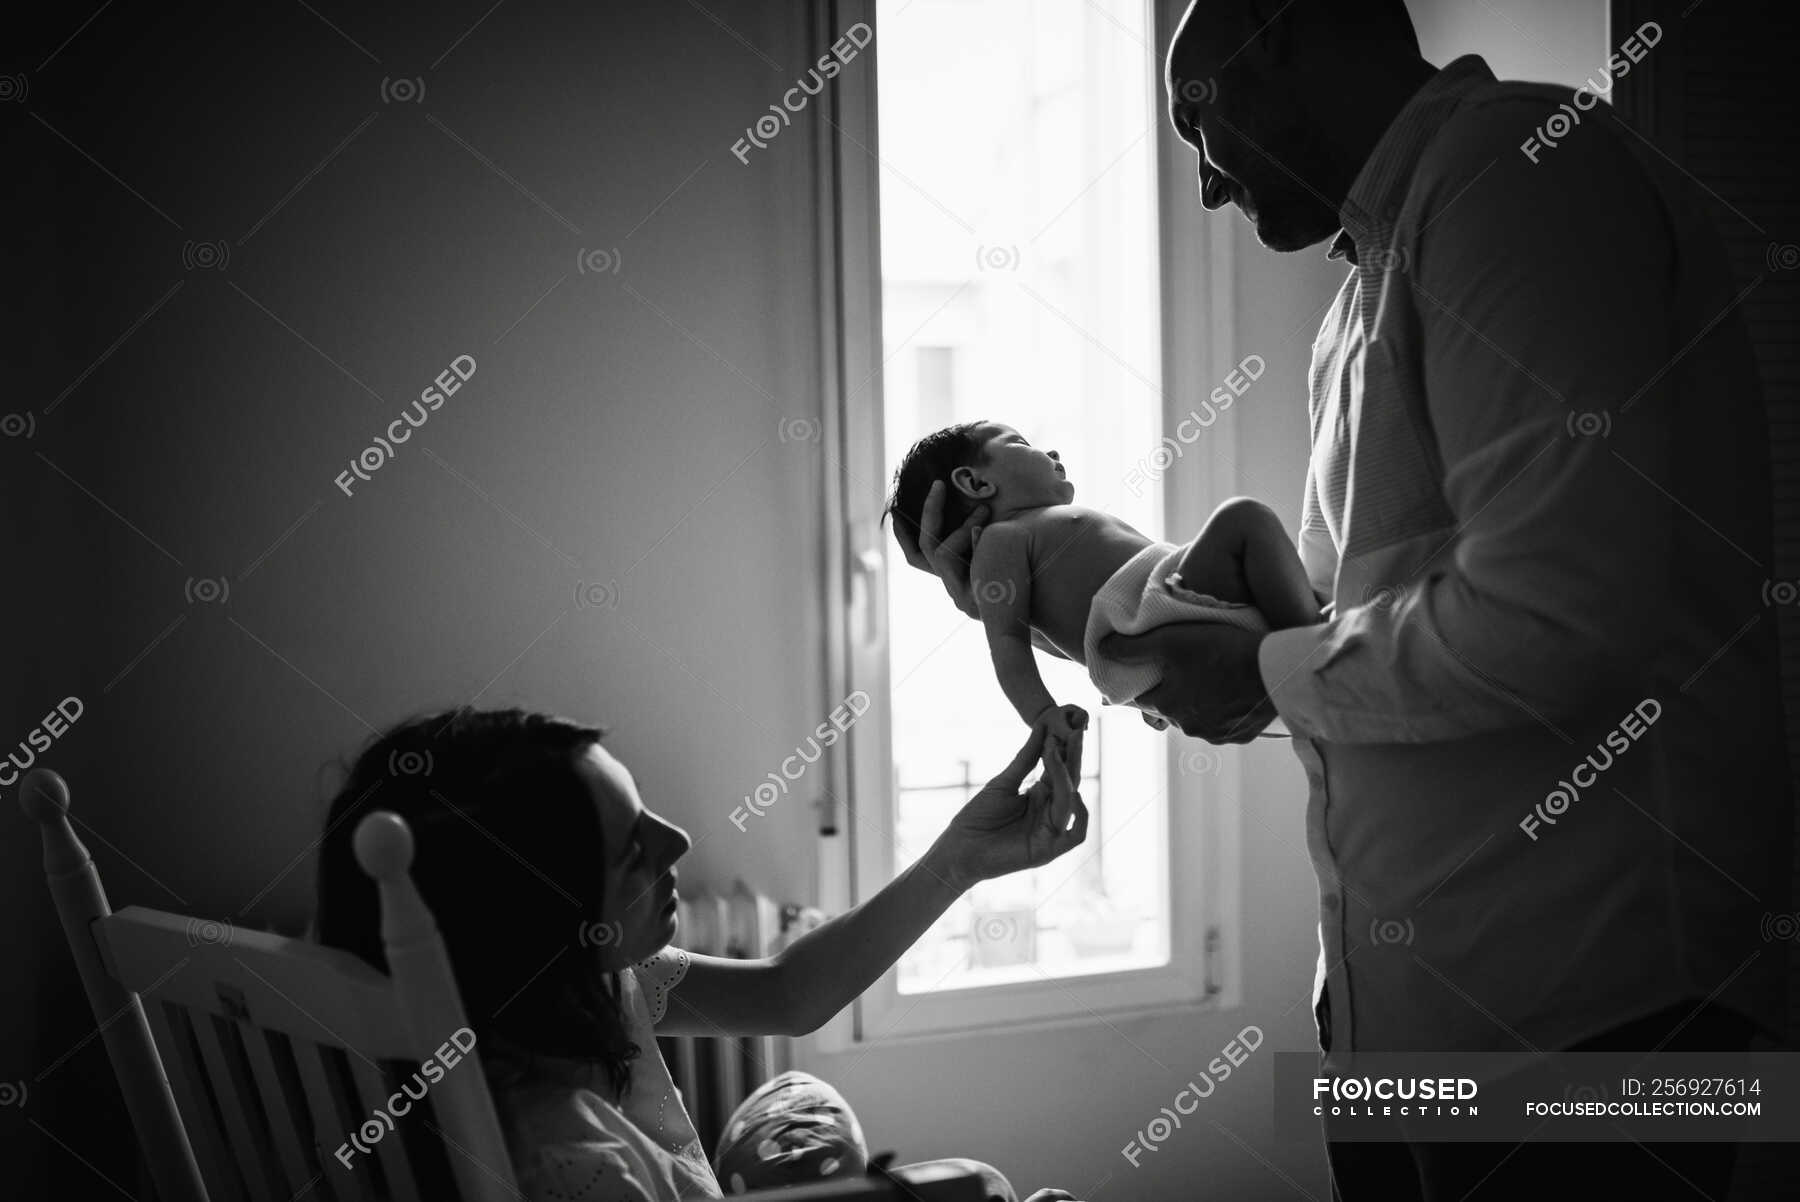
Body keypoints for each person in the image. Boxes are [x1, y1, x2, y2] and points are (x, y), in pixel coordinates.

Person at [900, 2, 1792, 1198]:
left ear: (1279, 42)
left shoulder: (1517, 176)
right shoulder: (1355, 305)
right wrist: (1201, 658)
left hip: (1590, 1008)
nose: (1208, 187)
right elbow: (1365, 639)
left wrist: (1260, 673)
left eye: (1195, 124)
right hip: (1388, 1013)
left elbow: (1563, 616)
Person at [315, 706, 1090, 1202]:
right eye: (631, 850)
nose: (677, 841)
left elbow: (789, 993)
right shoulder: (569, 1163)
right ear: (542, 924)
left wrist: (956, 860)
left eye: (645, 808)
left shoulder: (584, 986)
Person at [885, 421, 1319, 742]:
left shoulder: (1027, 539)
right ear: (976, 482)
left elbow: (1051, 632)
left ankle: (1311, 655)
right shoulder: (1005, 538)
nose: (1049, 451)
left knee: (1273, 692)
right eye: (1020, 443)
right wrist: (1043, 715)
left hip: (1157, 622)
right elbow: (1007, 644)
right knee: (1244, 519)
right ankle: (1320, 641)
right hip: (1153, 610)